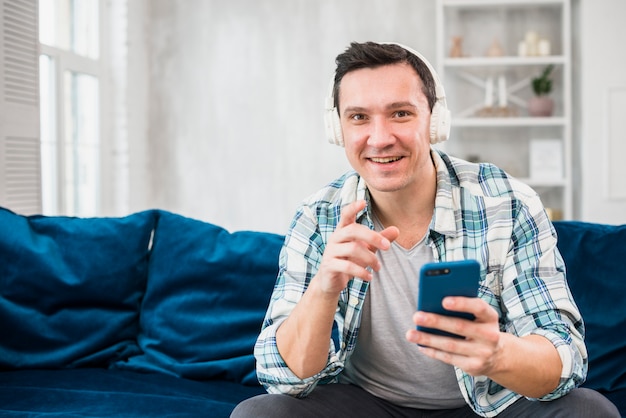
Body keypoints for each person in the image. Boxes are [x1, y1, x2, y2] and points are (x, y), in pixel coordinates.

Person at [231, 41, 619, 417]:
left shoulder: (508, 202)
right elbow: (281, 377)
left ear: (435, 121)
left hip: (489, 405)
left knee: (590, 410)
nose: (380, 139)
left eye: (400, 113)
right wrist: (324, 287)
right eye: (359, 117)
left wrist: (498, 353)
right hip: (366, 404)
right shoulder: (317, 217)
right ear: (339, 129)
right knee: (258, 414)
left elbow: (564, 356)